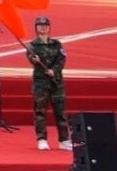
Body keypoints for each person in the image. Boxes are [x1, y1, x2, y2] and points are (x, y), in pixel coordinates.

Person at [27, 17, 71, 151]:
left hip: (56, 82)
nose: (43, 27)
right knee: (40, 112)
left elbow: (61, 60)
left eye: (46, 25)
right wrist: (34, 60)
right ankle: (42, 139)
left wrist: (54, 70)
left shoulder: (56, 44)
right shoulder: (32, 45)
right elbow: (30, 58)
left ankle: (64, 140)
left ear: (49, 27)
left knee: (60, 112)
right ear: (36, 28)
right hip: (41, 83)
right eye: (40, 25)